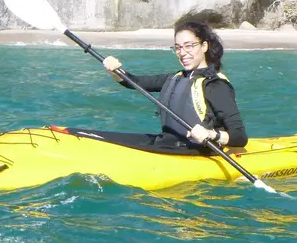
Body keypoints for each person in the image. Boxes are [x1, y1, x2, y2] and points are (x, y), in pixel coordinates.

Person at [100, 20, 248, 149]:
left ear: (204, 46)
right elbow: (135, 82)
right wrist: (115, 71)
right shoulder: (174, 78)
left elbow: (240, 137)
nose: (182, 53)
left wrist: (211, 134)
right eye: (178, 47)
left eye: (189, 46)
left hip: (195, 150)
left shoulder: (215, 85)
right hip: (166, 143)